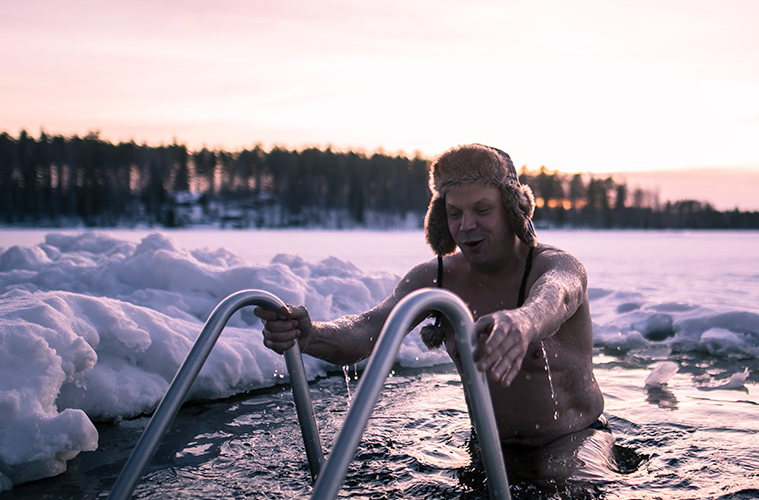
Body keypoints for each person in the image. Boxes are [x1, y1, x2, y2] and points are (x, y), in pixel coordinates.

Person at [256, 144, 608, 468]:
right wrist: (311, 334)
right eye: (454, 213)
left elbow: (556, 296)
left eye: (482, 210)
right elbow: (368, 330)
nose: (467, 226)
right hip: (489, 446)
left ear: (512, 209)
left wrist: (523, 323)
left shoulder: (555, 265)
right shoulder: (437, 278)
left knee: (560, 477)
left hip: (576, 439)